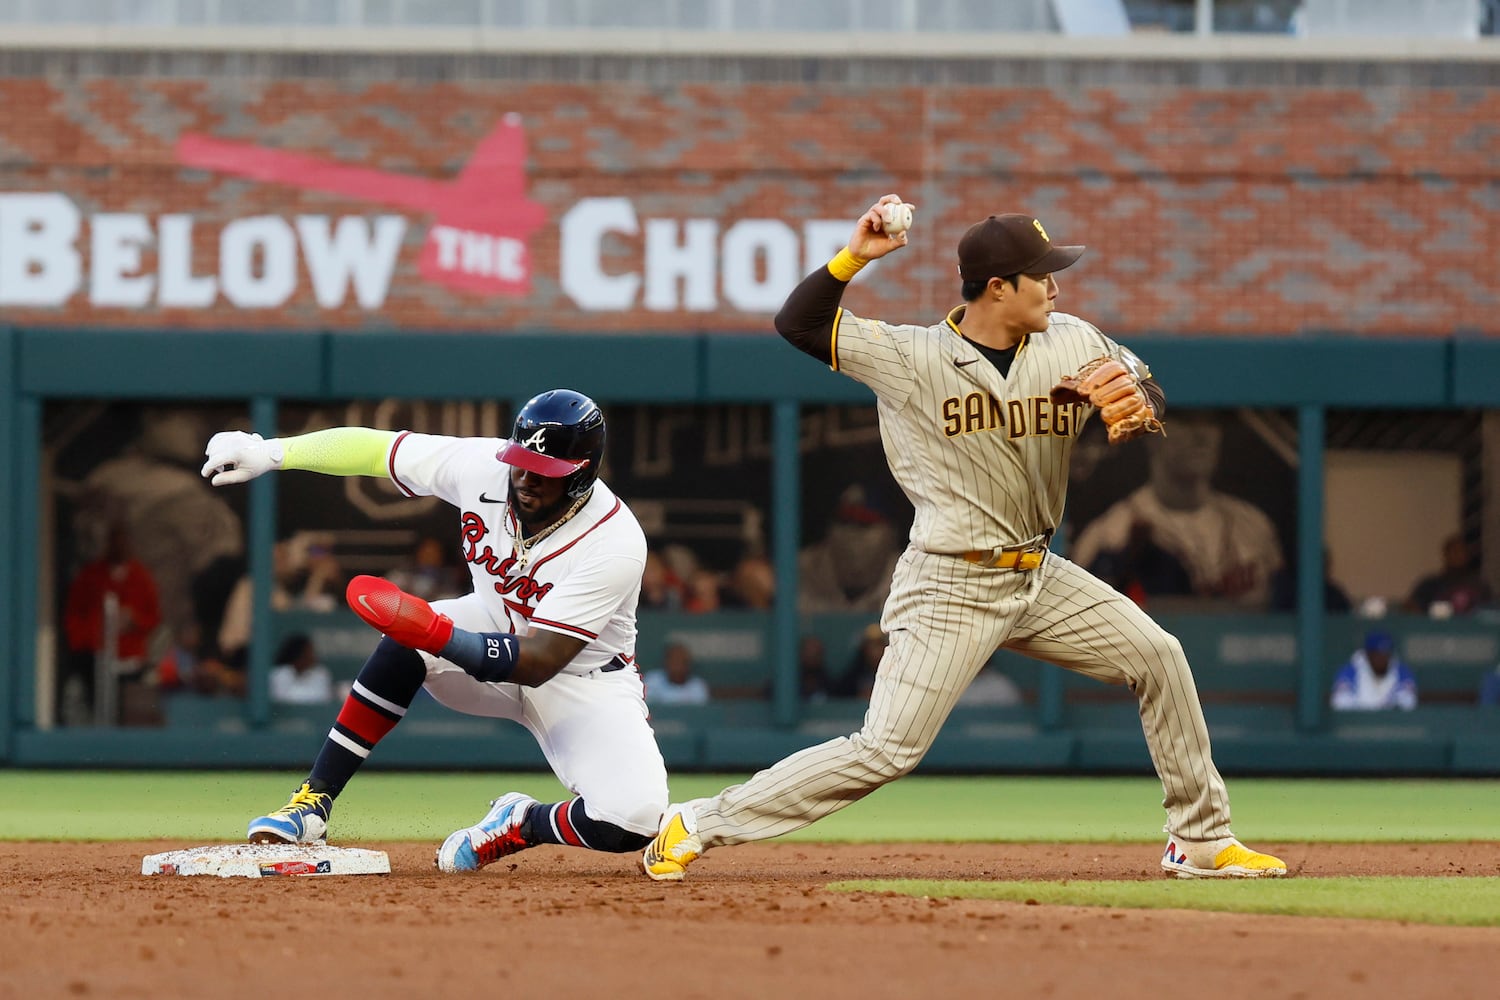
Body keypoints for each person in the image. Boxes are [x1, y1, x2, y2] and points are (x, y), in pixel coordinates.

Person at [642, 196, 1285, 881]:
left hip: (1038, 576)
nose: (1057, 286)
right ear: (998, 287)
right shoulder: (911, 356)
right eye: (1043, 275)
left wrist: (1134, 397)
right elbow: (798, 322)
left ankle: (1202, 840)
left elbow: (1147, 388)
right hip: (949, 580)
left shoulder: (1072, 337)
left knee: (1160, 656)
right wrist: (854, 256)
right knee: (886, 750)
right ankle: (696, 821)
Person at [202, 388, 668, 871]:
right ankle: (311, 804)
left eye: (545, 471)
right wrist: (274, 451)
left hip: (582, 678)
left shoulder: (615, 541)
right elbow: (375, 450)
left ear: (584, 470)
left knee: (633, 819)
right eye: (520, 460)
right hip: (488, 626)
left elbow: (540, 660)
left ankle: (520, 821)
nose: (526, 478)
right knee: (406, 641)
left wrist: (435, 632)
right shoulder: (481, 466)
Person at [1071, 412, 1285, 610]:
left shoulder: (1254, 525)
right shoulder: (1108, 535)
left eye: (1209, 422)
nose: (1201, 435)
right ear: (1151, 434)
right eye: (1185, 420)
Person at [60, 521, 164, 726]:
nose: (119, 547)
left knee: (129, 706)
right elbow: (74, 615)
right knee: (92, 701)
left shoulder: (141, 577)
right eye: (115, 542)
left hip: (129, 655)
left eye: (123, 542)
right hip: (93, 654)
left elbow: (153, 617)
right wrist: (86, 639)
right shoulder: (90, 575)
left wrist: (133, 620)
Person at [797, 483, 901, 613]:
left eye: (864, 524)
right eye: (844, 522)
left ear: (892, 534)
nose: (852, 535)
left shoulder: (910, 578)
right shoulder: (800, 572)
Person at [1403, 534, 1493, 617]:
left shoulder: (1479, 585)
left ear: (1467, 556)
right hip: (1436, 632)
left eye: (1461, 552)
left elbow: (1490, 611)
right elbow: (1410, 606)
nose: (1457, 556)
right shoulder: (1430, 583)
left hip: (1472, 632)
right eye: (1454, 552)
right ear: (1445, 554)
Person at [1330, 630, 1418, 712]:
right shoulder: (1350, 671)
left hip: (1391, 727)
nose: (1382, 659)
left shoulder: (1402, 672)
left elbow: (1409, 703)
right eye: (1378, 655)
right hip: (1357, 727)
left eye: (1386, 654)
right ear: (1368, 654)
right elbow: (1340, 703)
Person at [385, 535, 468, 603]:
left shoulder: (450, 575)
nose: (429, 556)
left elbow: (452, 598)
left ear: (442, 554)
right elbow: (388, 594)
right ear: (418, 552)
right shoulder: (403, 571)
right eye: (426, 551)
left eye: (434, 552)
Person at [268, 634, 335, 705]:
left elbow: (322, 698)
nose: (312, 656)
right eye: (308, 652)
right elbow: (283, 699)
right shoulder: (280, 674)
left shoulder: (320, 674)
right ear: (298, 654)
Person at [642, 642, 710, 706]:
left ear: (688, 664)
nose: (677, 666)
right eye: (673, 661)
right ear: (666, 662)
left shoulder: (698, 687)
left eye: (681, 661)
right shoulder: (652, 681)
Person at [834, 622, 886, 700]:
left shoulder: (893, 672)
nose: (875, 651)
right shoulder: (853, 676)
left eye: (878, 645)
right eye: (871, 645)